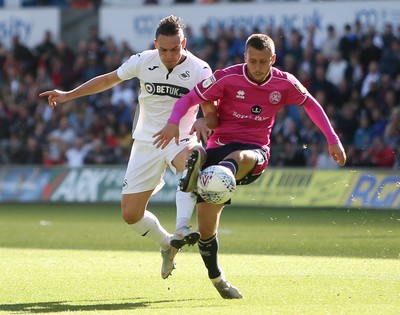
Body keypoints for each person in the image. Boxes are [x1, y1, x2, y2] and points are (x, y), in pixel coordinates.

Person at [153, 33, 347, 299]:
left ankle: (205, 173)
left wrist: (333, 140)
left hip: (254, 152)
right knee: (207, 229)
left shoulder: (284, 82)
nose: (257, 67)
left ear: (273, 60)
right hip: (219, 148)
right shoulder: (227, 77)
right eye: (252, 60)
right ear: (245, 57)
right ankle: (218, 279)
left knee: (238, 159)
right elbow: (189, 99)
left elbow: (311, 104)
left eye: (263, 62)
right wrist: (175, 121)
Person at [39, 15, 216, 280]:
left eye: (175, 49)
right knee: (131, 215)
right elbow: (108, 80)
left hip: (181, 139)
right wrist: (68, 95)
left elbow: (212, 113)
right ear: (155, 44)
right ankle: (168, 244)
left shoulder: (201, 69)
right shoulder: (142, 60)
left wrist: (204, 119)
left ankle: (181, 228)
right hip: (146, 142)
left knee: (192, 164)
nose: (168, 55)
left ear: (184, 43)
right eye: (163, 49)